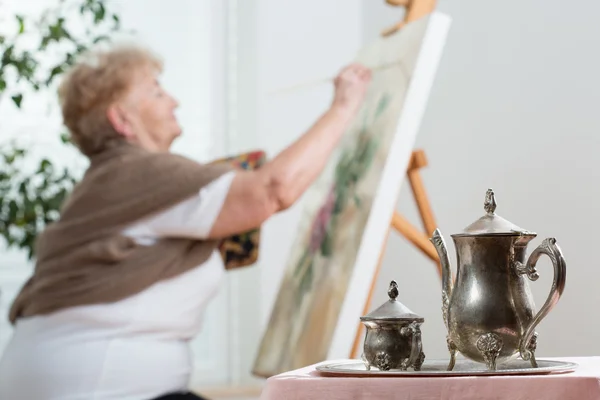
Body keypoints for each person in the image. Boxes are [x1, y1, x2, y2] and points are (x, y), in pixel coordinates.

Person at [0, 43, 371, 400]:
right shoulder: (140, 172)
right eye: (157, 92)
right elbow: (273, 190)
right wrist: (343, 106)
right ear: (121, 118)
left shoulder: (111, 181)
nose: (174, 101)